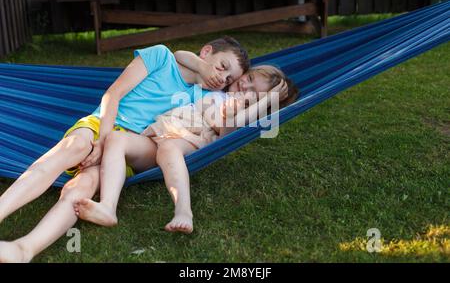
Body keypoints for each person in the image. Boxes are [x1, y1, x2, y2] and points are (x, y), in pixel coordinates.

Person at [0, 37, 249, 263]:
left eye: (228, 79)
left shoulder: (203, 97)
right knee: (73, 146)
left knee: (82, 188)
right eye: (222, 66)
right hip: (102, 124)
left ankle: (23, 250)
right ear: (206, 52)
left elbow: (223, 127)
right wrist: (102, 139)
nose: (222, 78)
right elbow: (114, 94)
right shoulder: (161, 56)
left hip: (129, 149)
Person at [73, 52, 299, 235]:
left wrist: (266, 103)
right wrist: (202, 66)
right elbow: (180, 55)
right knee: (116, 138)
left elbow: (230, 127)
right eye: (248, 79)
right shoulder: (217, 85)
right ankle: (108, 207)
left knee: (169, 148)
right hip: (157, 136)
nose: (244, 87)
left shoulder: (240, 108)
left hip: (190, 140)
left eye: (254, 93)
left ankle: (183, 211)